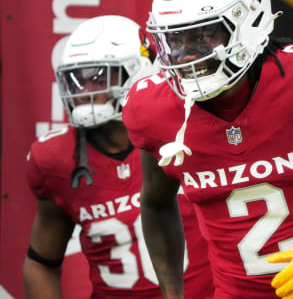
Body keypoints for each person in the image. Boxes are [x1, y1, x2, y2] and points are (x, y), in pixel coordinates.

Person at [122, 0, 293, 299]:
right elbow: (156, 204)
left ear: (249, 18)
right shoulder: (155, 111)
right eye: (176, 40)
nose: (188, 57)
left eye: (204, 36)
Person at [23, 15, 214, 298]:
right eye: (76, 81)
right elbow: (41, 262)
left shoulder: (184, 129)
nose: (84, 92)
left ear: (137, 71)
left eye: (99, 77)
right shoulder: (55, 160)